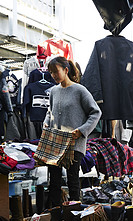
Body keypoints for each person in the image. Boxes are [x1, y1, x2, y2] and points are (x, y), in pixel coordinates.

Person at [44, 56, 101, 205]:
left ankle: (75, 220)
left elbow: (96, 112)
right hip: (55, 143)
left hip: (74, 143)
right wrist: (46, 123)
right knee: (54, 184)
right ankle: (56, 219)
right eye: (50, 72)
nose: (53, 75)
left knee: (73, 182)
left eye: (55, 71)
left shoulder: (79, 90)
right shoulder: (53, 91)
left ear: (66, 70)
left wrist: (82, 131)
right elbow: (50, 112)